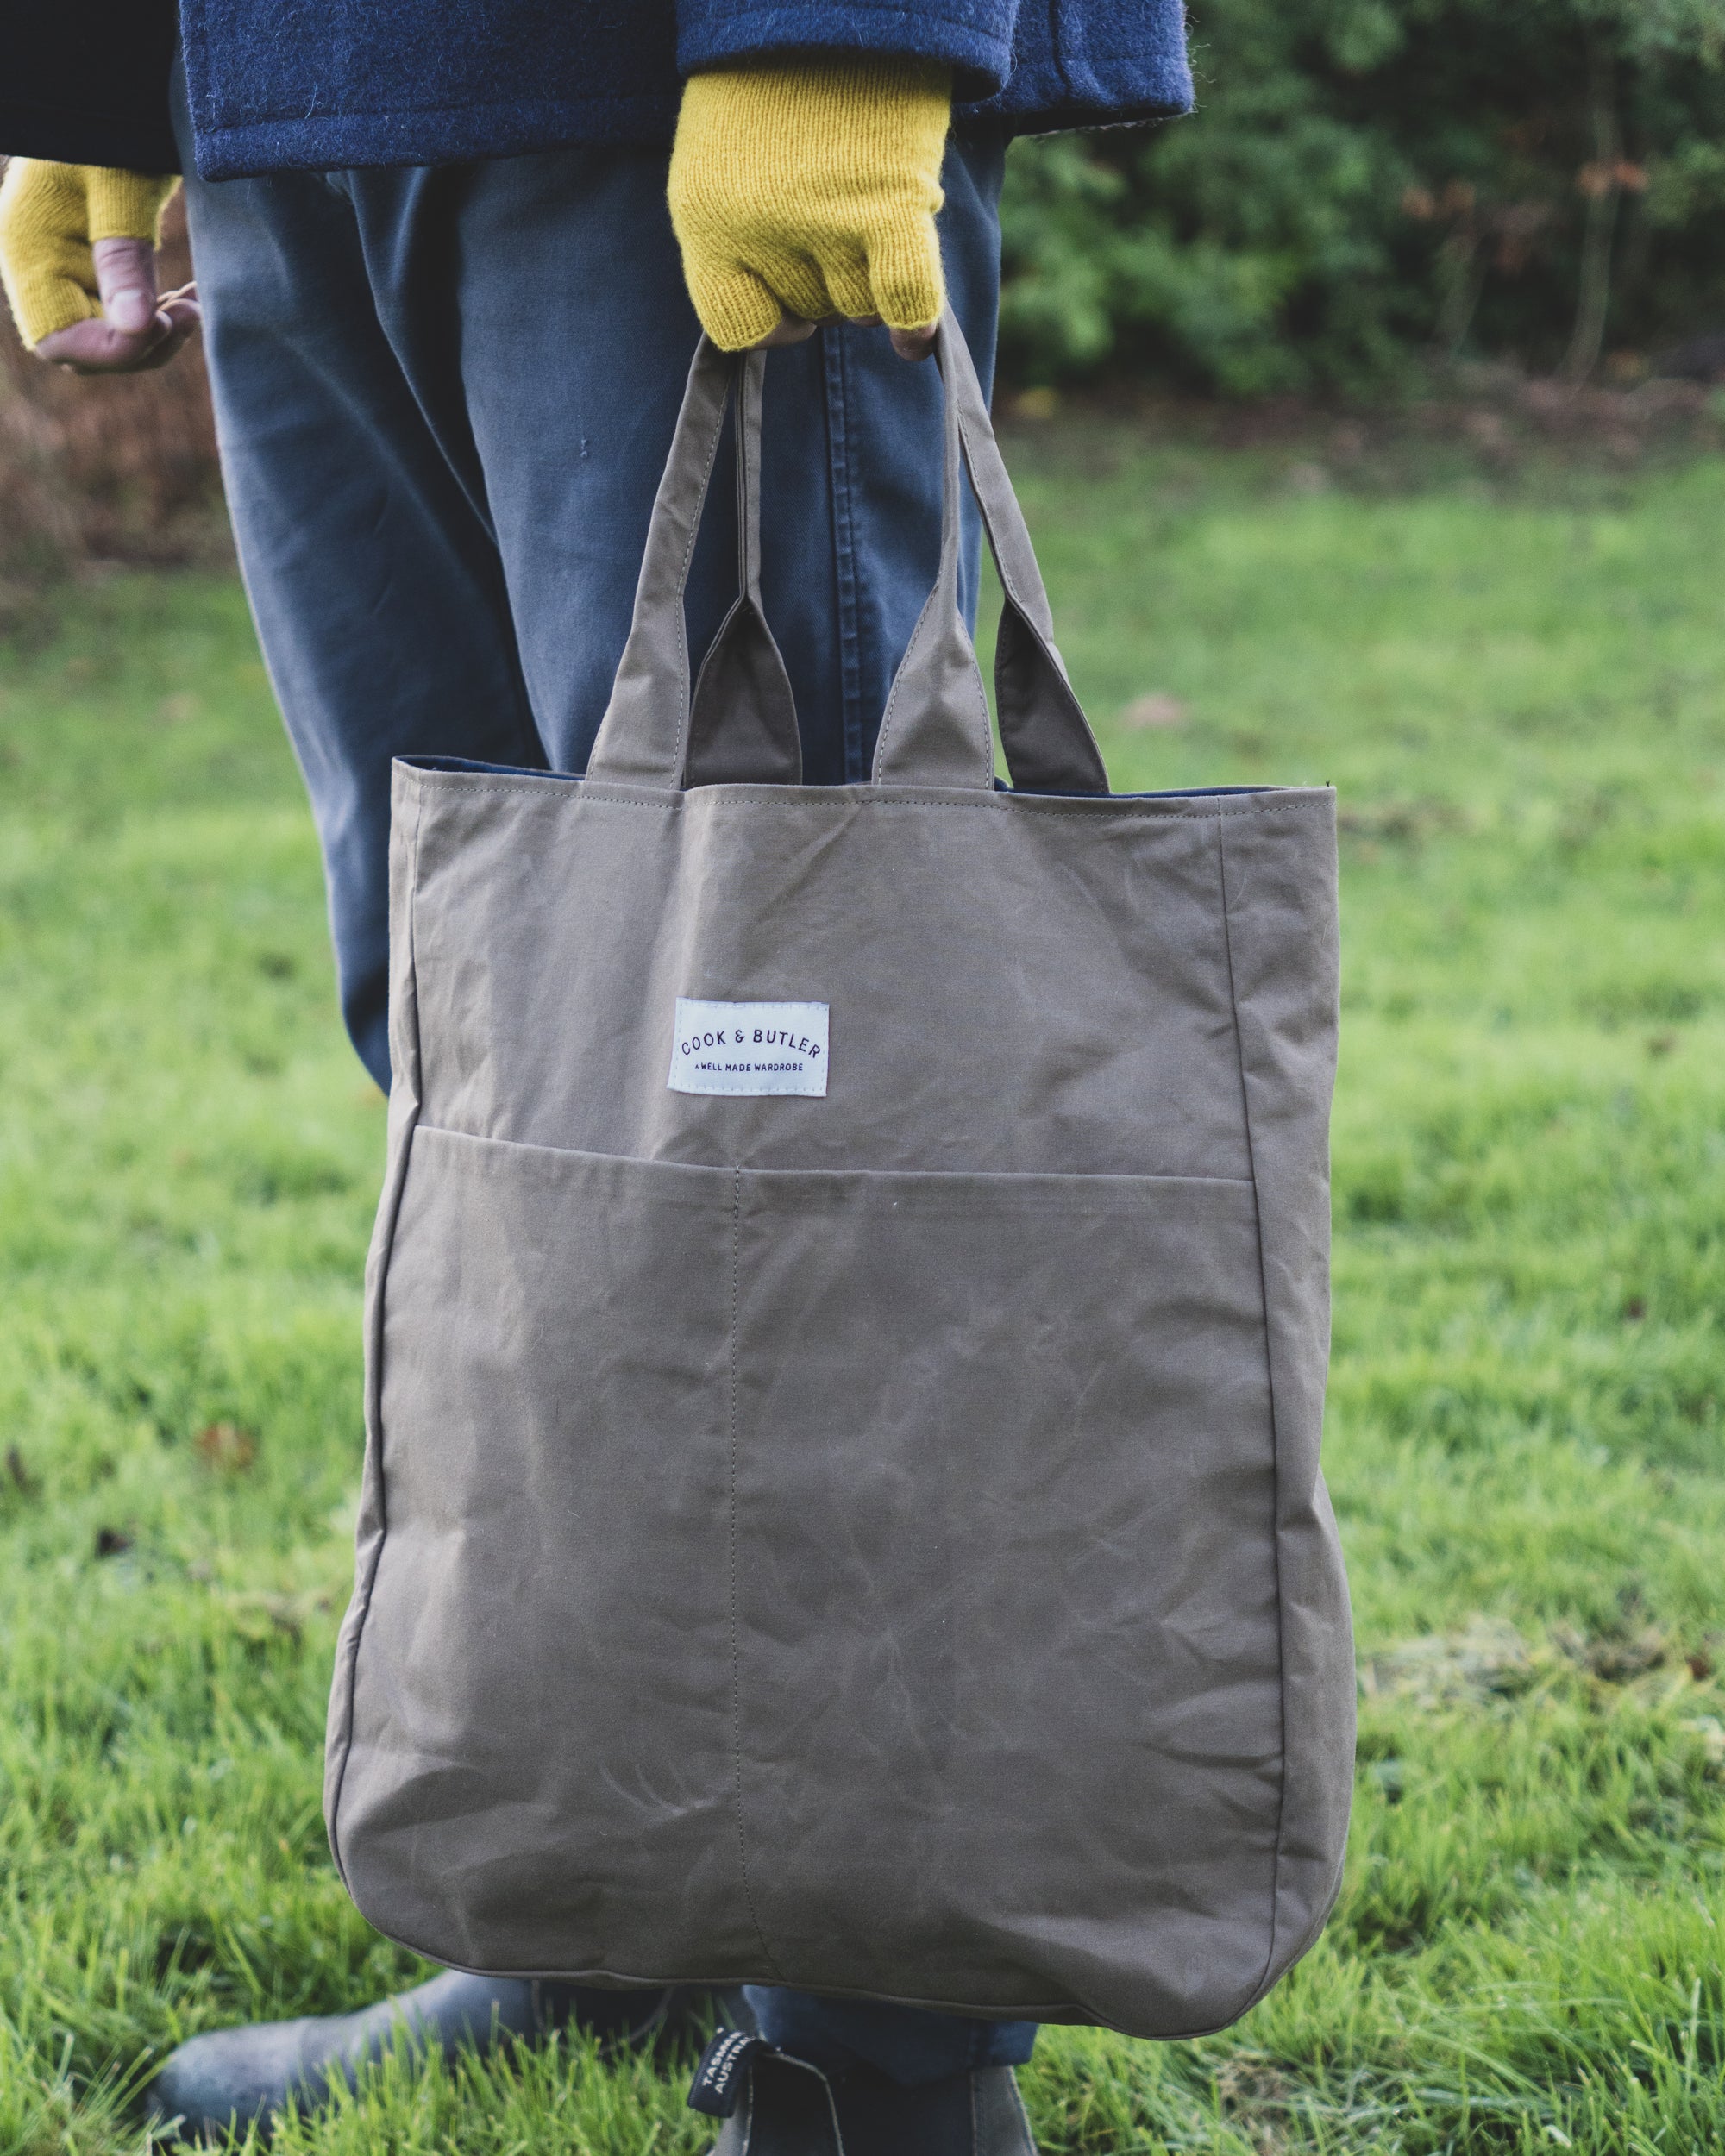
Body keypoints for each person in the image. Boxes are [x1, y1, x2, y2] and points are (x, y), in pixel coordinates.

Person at [0, 4, 1191, 2149]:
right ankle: (609, 1892)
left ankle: (880, 2061)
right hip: (299, 89)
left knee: (788, 1080)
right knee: (493, 1048)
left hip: (659, 84)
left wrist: (844, 23)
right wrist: (94, 70)